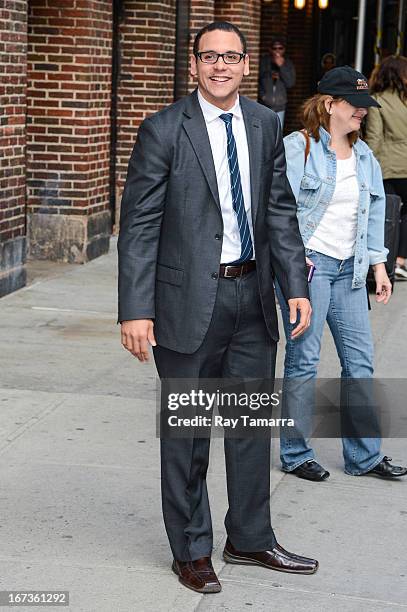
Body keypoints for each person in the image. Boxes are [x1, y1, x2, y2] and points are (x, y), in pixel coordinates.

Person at [118, 21, 317, 595]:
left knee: (250, 427)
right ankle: (191, 550)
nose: (221, 66)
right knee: (188, 433)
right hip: (185, 302)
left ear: (246, 63)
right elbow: (140, 226)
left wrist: (294, 286)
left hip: (252, 299)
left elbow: (279, 211)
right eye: (210, 57)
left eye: (231, 56)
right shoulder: (162, 129)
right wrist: (135, 308)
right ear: (194, 65)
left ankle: (250, 537)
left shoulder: (264, 123)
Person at [276, 66, 407, 482]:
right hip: (310, 270)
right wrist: (294, 261)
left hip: (349, 272)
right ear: (330, 105)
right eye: (356, 106)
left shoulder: (365, 156)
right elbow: (279, 210)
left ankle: (364, 457)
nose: (363, 113)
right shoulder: (299, 149)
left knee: (360, 363)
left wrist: (379, 266)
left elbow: (373, 215)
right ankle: (296, 453)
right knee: (305, 362)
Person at [365, 55, 407, 279]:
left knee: (388, 216)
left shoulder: (377, 101)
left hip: (388, 168)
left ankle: (385, 263)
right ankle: (401, 261)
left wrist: (368, 167)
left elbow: (374, 139)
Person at [259, 35, 296, 128]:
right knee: (264, 133)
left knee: (277, 135)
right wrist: (262, 96)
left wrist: (281, 66)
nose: (277, 51)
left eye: (280, 48)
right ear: (270, 49)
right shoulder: (264, 62)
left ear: (284, 49)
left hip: (280, 107)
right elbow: (257, 80)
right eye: (274, 48)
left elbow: (290, 83)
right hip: (264, 106)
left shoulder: (288, 63)